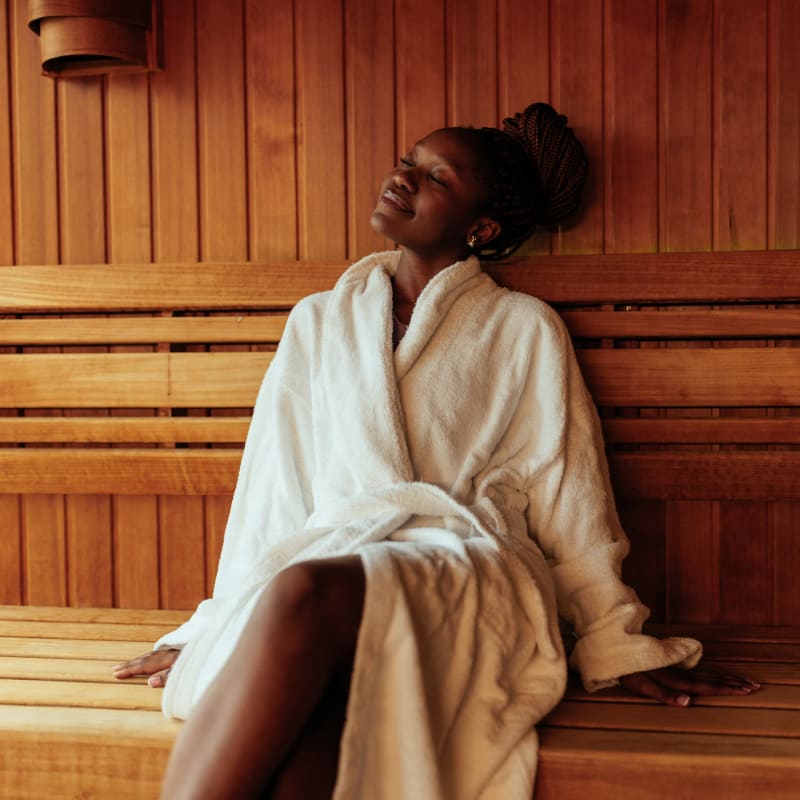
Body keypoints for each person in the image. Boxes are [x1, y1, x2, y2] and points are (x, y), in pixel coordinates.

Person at [113, 103, 759, 800]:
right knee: (314, 736)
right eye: (408, 161)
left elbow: (568, 490)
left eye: (436, 177)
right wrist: (219, 621)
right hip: (343, 564)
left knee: (303, 592)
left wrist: (613, 639)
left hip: (467, 568)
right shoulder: (320, 321)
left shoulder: (523, 329)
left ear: (481, 229)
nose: (404, 178)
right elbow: (275, 487)